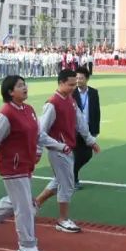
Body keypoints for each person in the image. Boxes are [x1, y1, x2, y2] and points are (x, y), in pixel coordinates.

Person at [0, 75, 65, 251]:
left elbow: (39, 135)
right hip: (12, 167)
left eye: (24, 85)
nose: (24, 88)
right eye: (19, 86)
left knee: (14, 201)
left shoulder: (28, 110)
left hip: (26, 164)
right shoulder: (5, 115)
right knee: (24, 207)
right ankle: (26, 244)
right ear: (10, 92)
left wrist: (59, 146)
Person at [31, 69, 100, 233]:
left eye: (74, 84)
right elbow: (41, 130)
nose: (73, 87)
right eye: (70, 85)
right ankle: (62, 219)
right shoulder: (52, 104)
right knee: (67, 184)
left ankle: (35, 204)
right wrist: (38, 151)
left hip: (68, 148)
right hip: (58, 149)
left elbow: (80, 122)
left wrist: (90, 141)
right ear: (61, 83)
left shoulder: (70, 100)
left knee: (59, 181)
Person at [71, 68, 101, 189]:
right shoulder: (72, 93)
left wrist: (96, 129)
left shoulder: (93, 92)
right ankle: (73, 179)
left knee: (87, 155)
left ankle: (70, 174)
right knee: (77, 154)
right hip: (75, 129)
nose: (78, 80)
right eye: (77, 78)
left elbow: (97, 111)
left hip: (88, 128)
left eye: (81, 78)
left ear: (87, 79)